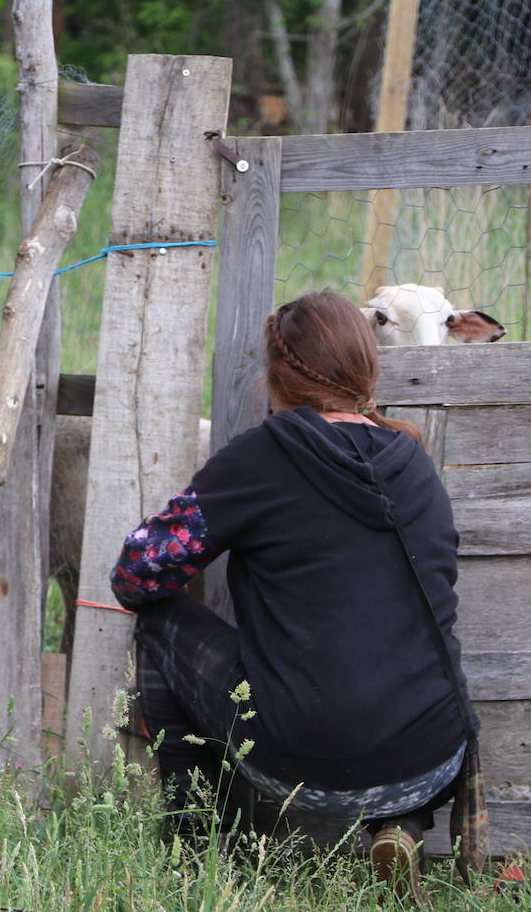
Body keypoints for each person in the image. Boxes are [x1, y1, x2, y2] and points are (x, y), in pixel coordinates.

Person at [108, 289, 484, 901]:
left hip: (303, 763)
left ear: (276, 373)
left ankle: (197, 853)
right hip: (433, 760)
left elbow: (137, 576)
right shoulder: (414, 461)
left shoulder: (262, 457)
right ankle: (401, 826)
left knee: (158, 623)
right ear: (368, 367)